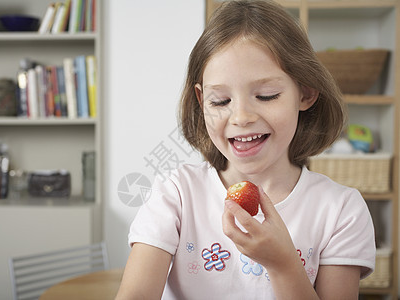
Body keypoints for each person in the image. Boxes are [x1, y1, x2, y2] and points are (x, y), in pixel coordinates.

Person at [116, 1, 376, 299]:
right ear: (201, 102)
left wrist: (283, 265)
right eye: (221, 101)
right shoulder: (175, 194)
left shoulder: (341, 210)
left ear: (305, 92)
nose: (241, 117)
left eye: (266, 96)